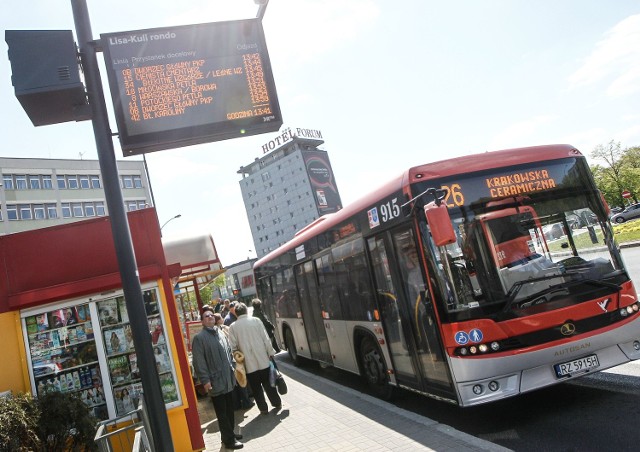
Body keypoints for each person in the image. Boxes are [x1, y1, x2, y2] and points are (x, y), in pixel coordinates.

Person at [191, 306, 244, 449]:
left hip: (228, 378)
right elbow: (199, 362)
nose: (210, 317)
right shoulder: (199, 338)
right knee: (222, 413)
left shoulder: (220, 333)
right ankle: (229, 441)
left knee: (230, 409)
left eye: (211, 316)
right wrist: (205, 381)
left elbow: (228, 351)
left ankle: (229, 433)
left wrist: (233, 367)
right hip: (215, 381)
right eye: (206, 316)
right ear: (202, 321)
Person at [229, 303, 281, 415]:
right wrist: (270, 352)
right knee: (269, 383)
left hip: (249, 364)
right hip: (263, 359)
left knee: (256, 388)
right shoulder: (256, 321)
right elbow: (265, 338)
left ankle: (263, 409)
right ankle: (276, 403)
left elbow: (233, 347)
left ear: (236, 313)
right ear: (246, 311)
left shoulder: (233, 327)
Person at [215, 313, 254, 410]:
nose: (223, 318)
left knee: (233, 384)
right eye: (221, 317)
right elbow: (233, 342)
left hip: (226, 361)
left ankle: (236, 404)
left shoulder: (217, 331)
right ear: (218, 320)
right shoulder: (225, 329)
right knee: (241, 380)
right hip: (233, 358)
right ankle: (246, 402)